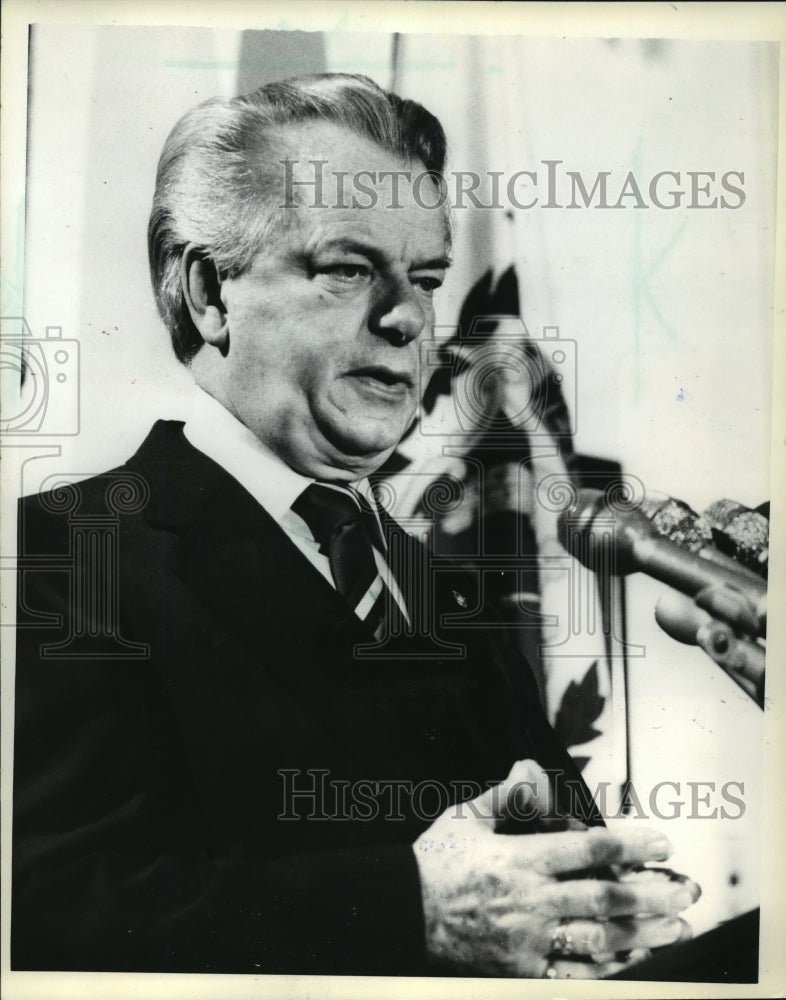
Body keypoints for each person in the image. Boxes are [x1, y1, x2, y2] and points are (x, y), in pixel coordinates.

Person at [12, 73, 699, 978]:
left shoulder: (445, 590)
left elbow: (549, 893)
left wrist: (604, 910)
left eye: (424, 279)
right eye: (348, 268)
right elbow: (40, 909)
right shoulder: (65, 553)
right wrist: (406, 911)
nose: (412, 318)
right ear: (209, 292)